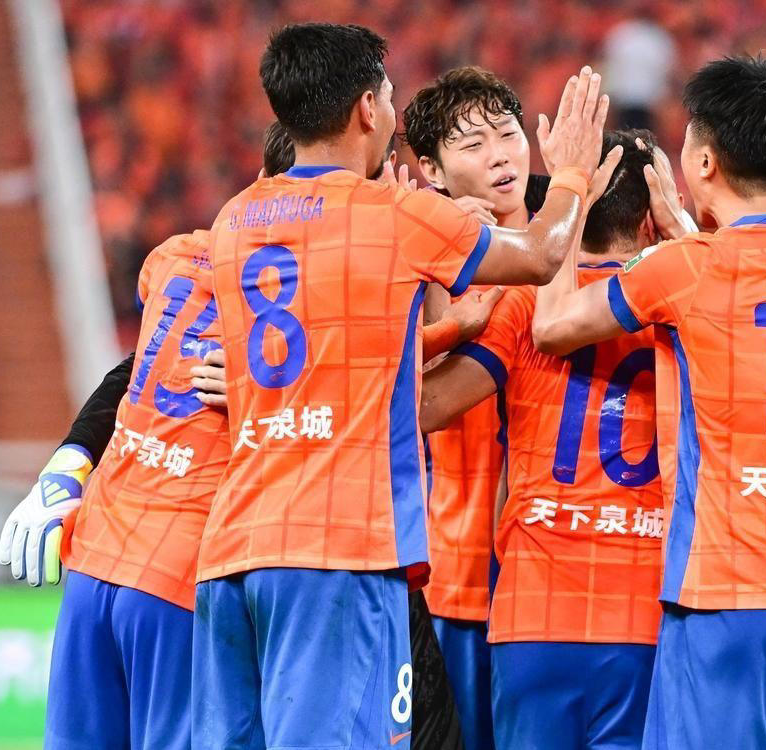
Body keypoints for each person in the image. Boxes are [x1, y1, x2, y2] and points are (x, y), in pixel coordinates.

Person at [193, 22, 610, 749]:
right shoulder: (393, 215)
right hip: (339, 551)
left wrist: (445, 327)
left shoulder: (236, 219)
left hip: (234, 548)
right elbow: (543, 255)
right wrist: (571, 174)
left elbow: (330, 348)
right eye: (387, 95)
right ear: (367, 108)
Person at [530, 55, 766, 749]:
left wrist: (568, 183)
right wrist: (696, 236)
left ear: (703, 162)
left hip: (729, 592)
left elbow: (553, 325)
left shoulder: (684, 269)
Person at [419, 130, 667, 750]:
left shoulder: (519, 306)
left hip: (534, 610)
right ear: (650, 219)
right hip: (648, 609)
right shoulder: (679, 307)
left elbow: (425, 407)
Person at [0, 229, 228, 750]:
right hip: (181, 572)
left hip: (95, 558)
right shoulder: (302, 282)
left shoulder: (178, 256)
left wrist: (70, 458)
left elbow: (137, 363)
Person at [402, 65, 535, 750]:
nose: (500, 156)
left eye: (508, 134)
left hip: (549, 582)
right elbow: (399, 388)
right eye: (473, 145)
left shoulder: (575, 250)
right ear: (431, 169)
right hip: (454, 579)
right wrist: (435, 266)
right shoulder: (410, 265)